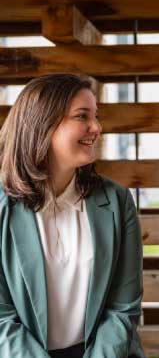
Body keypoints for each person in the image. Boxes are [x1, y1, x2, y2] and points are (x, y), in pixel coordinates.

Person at [0, 74, 145, 358]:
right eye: (82, 116)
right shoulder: (3, 206)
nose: (96, 127)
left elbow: (123, 308)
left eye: (96, 116)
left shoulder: (117, 200)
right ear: (43, 124)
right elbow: (2, 319)